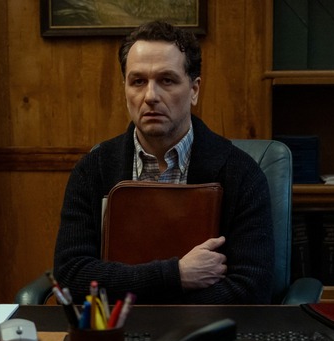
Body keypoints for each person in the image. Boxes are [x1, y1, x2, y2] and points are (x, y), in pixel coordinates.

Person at [53, 21, 273, 304]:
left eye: (167, 80)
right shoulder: (92, 170)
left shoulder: (241, 173)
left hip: (203, 328)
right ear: (124, 89)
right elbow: (71, 276)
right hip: (116, 328)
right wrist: (175, 276)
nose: (150, 96)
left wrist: (142, 297)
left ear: (194, 90)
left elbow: (252, 289)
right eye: (138, 81)